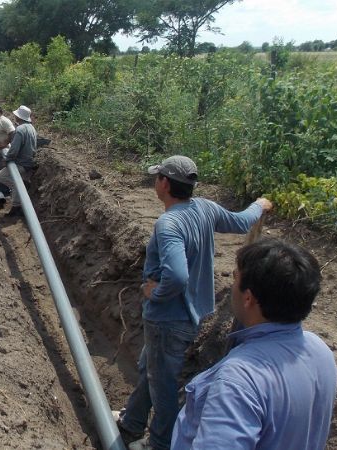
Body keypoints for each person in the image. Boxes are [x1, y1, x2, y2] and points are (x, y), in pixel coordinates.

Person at [114, 155, 273, 450]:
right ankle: (132, 422)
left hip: (167, 319)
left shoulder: (169, 224)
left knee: (162, 386)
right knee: (149, 366)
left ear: (164, 183)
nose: (155, 181)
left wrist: (156, 293)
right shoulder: (205, 208)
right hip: (190, 315)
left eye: (156, 176)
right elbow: (241, 222)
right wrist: (259, 206)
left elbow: (176, 275)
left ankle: (159, 444)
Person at [171, 238, 337, 449]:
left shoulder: (238, 380)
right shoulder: (319, 350)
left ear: (248, 298)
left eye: (234, 277)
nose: (232, 285)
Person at [0, 105, 36, 217]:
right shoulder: (31, 128)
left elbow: (14, 149)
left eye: (16, 115)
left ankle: (17, 205)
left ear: (19, 116)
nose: (14, 116)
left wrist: (7, 160)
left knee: (0, 177)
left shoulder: (20, 130)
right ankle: (19, 196)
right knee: (16, 182)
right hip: (29, 162)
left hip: (21, 163)